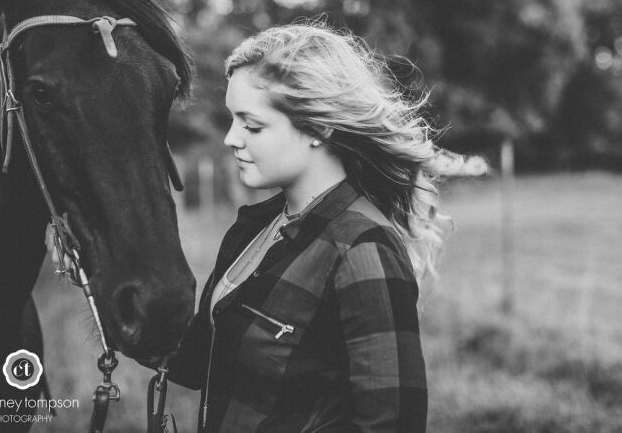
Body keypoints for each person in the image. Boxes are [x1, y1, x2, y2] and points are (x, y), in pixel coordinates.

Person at [159, 22, 454, 432]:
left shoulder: (363, 250)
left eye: (252, 125)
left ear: (319, 127)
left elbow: (394, 423)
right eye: (232, 120)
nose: (230, 138)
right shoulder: (253, 228)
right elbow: (202, 361)